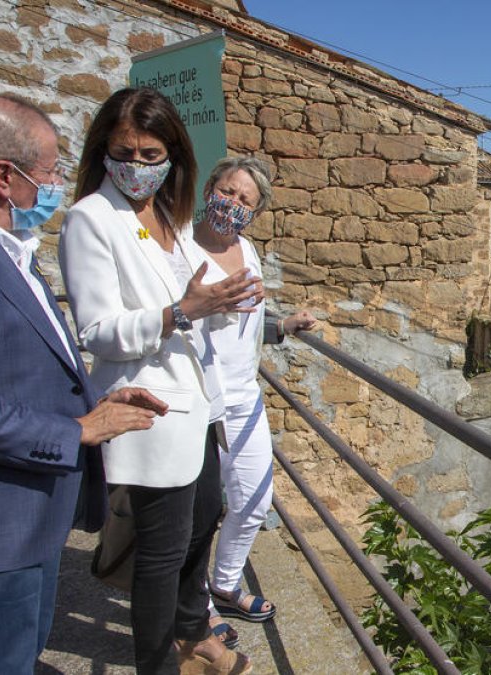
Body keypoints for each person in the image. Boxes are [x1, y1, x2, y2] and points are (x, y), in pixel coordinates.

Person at [0, 93, 168, 674]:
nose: (58, 181)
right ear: (5, 177)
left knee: (19, 655)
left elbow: (19, 362)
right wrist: (79, 428)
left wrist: (96, 401)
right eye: (52, 169)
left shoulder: (4, 246)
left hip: (29, 512)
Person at [59, 87, 258, 675]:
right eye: (128, 152)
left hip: (195, 407)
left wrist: (224, 301)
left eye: (153, 154)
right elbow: (97, 328)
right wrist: (182, 313)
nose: (140, 166)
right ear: (104, 151)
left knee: (205, 518)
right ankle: (160, 664)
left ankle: (193, 633)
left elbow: (185, 301)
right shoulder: (90, 219)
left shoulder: (165, 215)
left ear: (173, 156)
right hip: (149, 409)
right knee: (162, 555)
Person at [192, 157, 318, 647]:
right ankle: (196, 607)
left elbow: (244, 323)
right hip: (197, 398)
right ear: (209, 190)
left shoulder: (246, 249)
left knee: (254, 497)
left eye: (244, 200)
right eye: (226, 192)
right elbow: (175, 316)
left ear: (256, 211)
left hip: (244, 395)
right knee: (199, 510)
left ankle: (224, 582)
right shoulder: (179, 246)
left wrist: (281, 327)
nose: (232, 204)